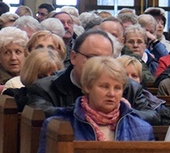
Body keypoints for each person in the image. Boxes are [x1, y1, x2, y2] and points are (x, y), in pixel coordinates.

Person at [34, 56, 155, 153]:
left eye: (117, 88)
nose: (111, 93)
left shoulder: (142, 129)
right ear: (87, 87)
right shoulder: (59, 125)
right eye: (104, 86)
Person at [26, 30, 161, 124]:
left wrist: (124, 112)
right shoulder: (44, 88)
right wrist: (89, 110)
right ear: (73, 57)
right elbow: (42, 115)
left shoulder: (128, 87)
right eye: (92, 58)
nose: (98, 64)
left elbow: (152, 116)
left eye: (105, 59)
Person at [0, 26, 28, 91]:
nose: (13, 58)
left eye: (18, 52)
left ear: (25, 54)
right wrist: (1, 89)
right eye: (7, 52)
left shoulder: (31, 73)